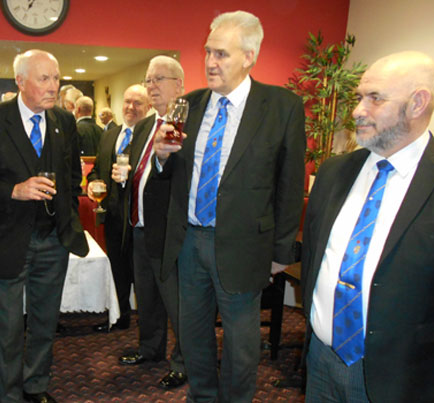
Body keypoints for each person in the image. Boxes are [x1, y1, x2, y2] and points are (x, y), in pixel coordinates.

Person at [149, 11, 306, 402]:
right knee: (194, 333)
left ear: (249, 55)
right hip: (189, 242)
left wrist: (281, 253)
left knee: (240, 344)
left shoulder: (282, 106)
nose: (210, 62)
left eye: (221, 54)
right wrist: (162, 157)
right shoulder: (189, 104)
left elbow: (289, 185)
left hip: (244, 246)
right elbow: (168, 176)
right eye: (208, 52)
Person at [299, 51, 434, 402]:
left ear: (418, 103)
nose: (357, 110)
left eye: (375, 98)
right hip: (322, 362)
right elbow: (314, 258)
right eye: (359, 97)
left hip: (402, 378)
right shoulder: (333, 172)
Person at [0, 49, 90, 403]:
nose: (53, 86)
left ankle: (35, 385)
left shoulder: (64, 122)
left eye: (56, 78)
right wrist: (14, 190)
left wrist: (67, 219)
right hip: (8, 240)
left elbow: (71, 178)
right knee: (7, 328)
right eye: (44, 79)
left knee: (44, 322)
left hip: (53, 238)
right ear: (20, 81)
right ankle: (9, 394)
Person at [115, 55, 188, 390]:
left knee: (177, 304)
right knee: (146, 297)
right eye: (148, 80)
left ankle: (184, 362)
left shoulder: (189, 126)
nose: (151, 86)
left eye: (159, 79)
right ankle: (150, 348)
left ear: (179, 85)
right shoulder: (144, 125)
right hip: (139, 226)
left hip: (170, 230)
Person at [87, 85, 149, 333]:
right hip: (113, 217)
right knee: (118, 272)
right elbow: (97, 170)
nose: (131, 107)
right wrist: (93, 182)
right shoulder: (109, 135)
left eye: (138, 103)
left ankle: (147, 329)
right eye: (127, 102)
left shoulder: (149, 139)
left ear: (149, 108)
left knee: (144, 279)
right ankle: (120, 317)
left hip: (140, 220)